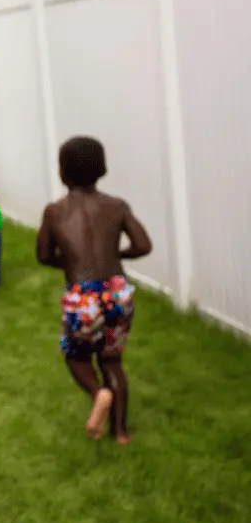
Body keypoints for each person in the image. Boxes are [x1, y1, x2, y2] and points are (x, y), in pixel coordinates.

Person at [36, 136, 152, 445]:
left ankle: (98, 392)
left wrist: (71, 263)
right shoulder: (116, 206)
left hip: (82, 296)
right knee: (112, 360)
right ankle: (121, 432)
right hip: (117, 291)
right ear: (102, 168)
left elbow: (43, 255)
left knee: (77, 357)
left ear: (62, 172)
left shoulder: (55, 211)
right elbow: (143, 245)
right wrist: (116, 257)